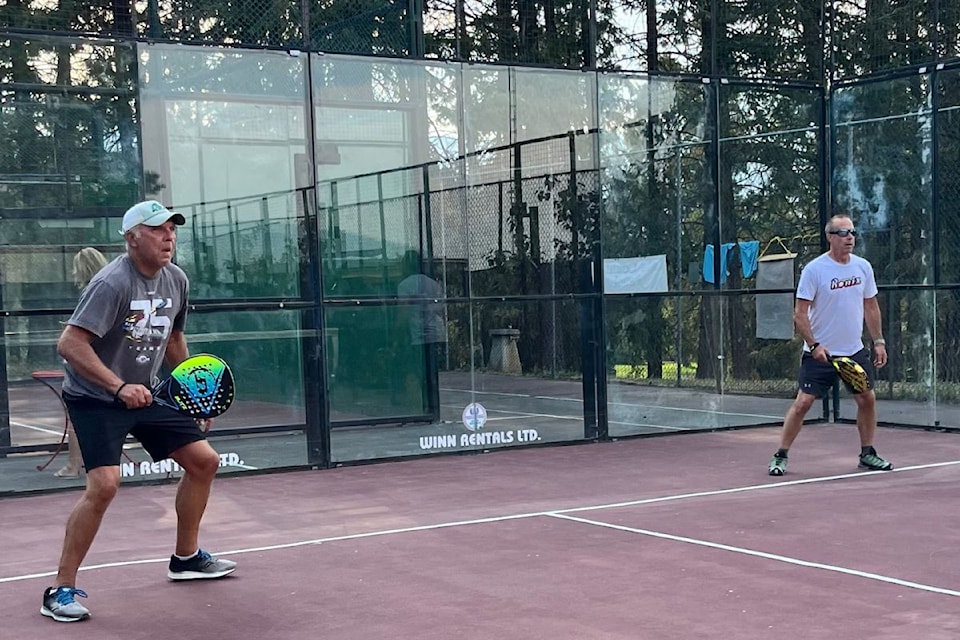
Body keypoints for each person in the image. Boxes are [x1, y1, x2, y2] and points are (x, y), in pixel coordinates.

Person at [41, 200, 236, 623]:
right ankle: (59, 589)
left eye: (172, 229)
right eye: (158, 229)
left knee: (204, 461)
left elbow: (174, 340)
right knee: (104, 486)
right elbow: (70, 344)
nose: (169, 237)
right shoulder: (110, 283)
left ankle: (186, 558)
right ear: (132, 238)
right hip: (95, 397)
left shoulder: (176, 279)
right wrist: (117, 386)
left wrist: (194, 391)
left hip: (146, 393)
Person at [768, 214, 892, 476]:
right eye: (843, 233)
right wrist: (814, 345)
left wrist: (878, 341)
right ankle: (780, 455)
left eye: (852, 232)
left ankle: (867, 453)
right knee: (803, 403)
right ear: (830, 237)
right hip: (820, 353)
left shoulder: (863, 267)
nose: (850, 238)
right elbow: (800, 314)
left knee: (867, 399)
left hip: (854, 352)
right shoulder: (814, 270)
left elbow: (871, 306)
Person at [54, 248, 109, 478]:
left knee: (78, 414)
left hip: (89, 365)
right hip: (103, 363)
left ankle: (74, 464)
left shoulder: (93, 292)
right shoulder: (108, 289)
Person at [397, 249, 447, 420]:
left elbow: (403, 312)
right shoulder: (432, 283)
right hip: (436, 332)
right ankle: (432, 405)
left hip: (417, 334)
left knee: (414, 372)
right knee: (431, 372)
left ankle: (419, 407)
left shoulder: (404, 285)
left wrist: (396, 331)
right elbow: (441, 307)